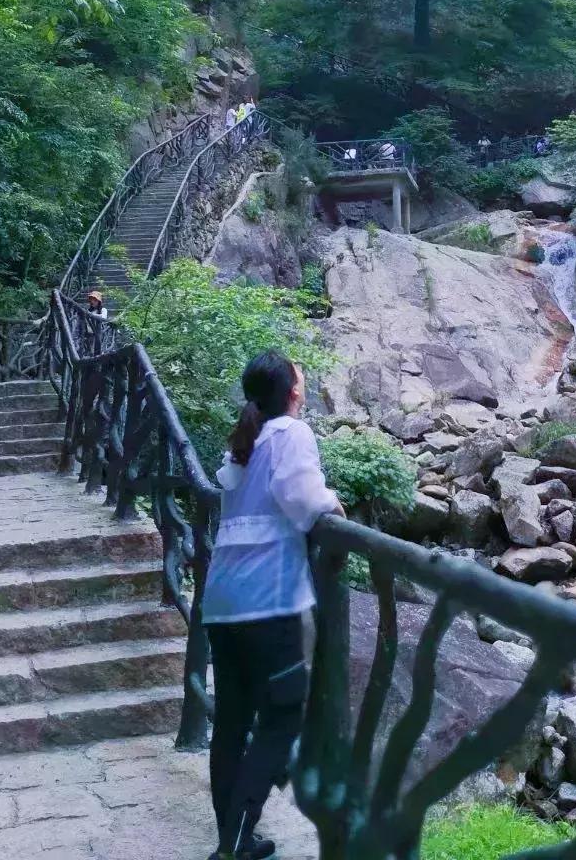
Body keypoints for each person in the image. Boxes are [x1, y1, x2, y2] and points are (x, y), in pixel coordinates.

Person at [203, 352, 343, 860]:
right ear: (293, 393)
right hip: (268, 600)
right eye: (301, 378)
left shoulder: (245, 441)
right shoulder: (290, 433)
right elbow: (303, 499)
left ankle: (232, 838)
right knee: (282, 715)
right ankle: (236, 840)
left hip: (223, 600)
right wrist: (332, 504)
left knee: (232, 722)